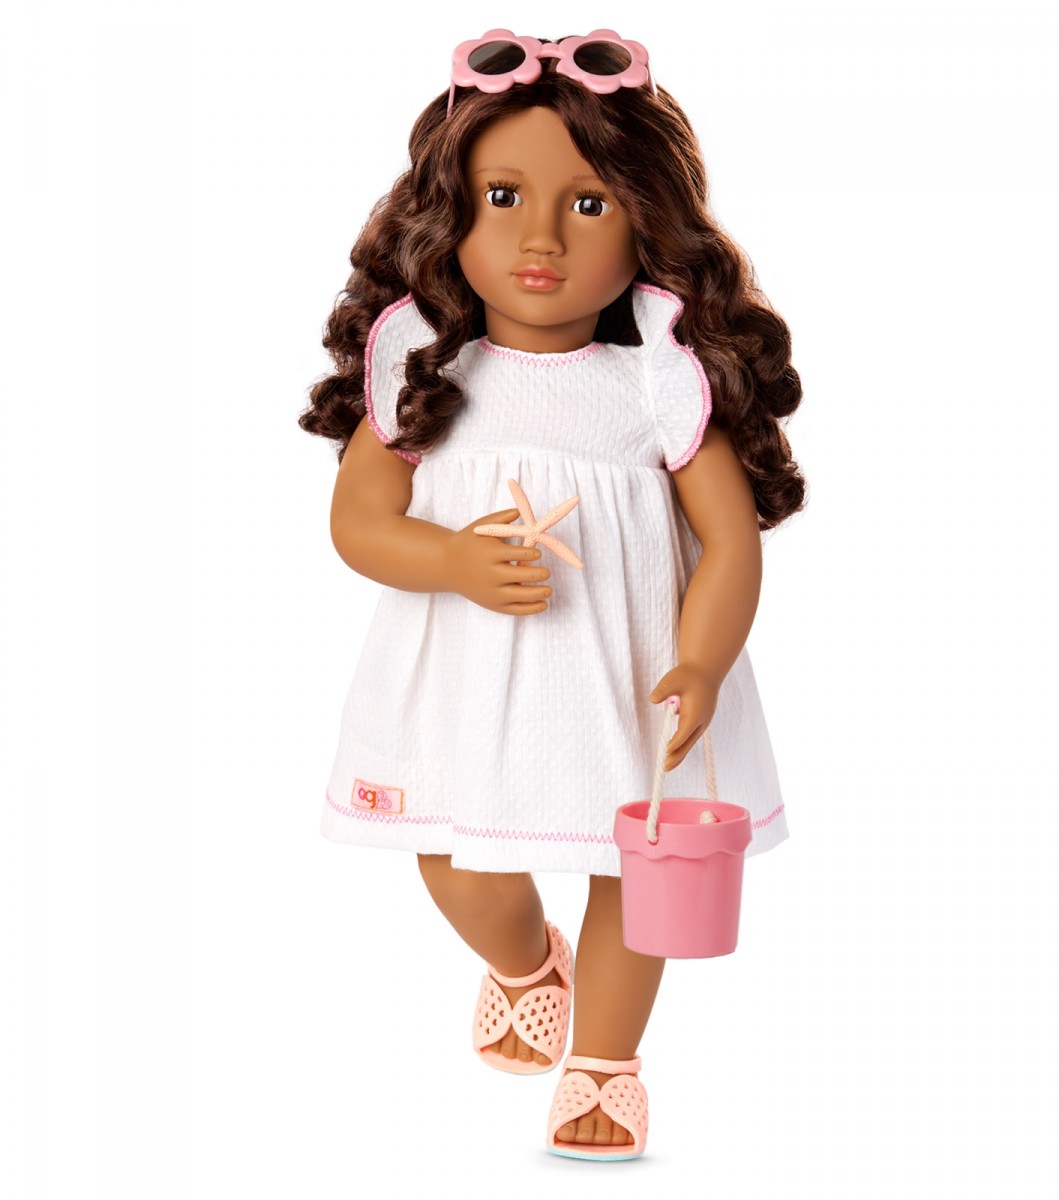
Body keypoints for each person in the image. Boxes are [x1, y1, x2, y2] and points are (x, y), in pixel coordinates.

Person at [299, 29, 807, 1161]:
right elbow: (359, 520)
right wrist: (451, 560)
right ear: (448, 212)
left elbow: (730, 540)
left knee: (636, 871)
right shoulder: (426, 368)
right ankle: (527, 961)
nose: (541, 237)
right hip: (463, 677)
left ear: (644, 221)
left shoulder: (657, 379)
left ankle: (605, 1062)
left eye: (587, 204)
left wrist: (703, 660)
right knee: (454, 860)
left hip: (629, 674)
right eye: (503, 196)